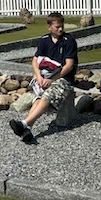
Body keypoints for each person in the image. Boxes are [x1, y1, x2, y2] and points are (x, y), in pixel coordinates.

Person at [9, 12, 77, 145]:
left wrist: (52, 80)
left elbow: (69, 66)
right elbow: (35, 61)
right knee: (38, 99)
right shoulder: (44, 40)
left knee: (46, 96)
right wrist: (39, 76)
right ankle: (27, 129)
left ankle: (24, 123)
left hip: (64, 79)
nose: (60, 29)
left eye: (62, 26)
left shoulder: (69, 41)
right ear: (49, 27)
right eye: (57, 27)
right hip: (45, 77)